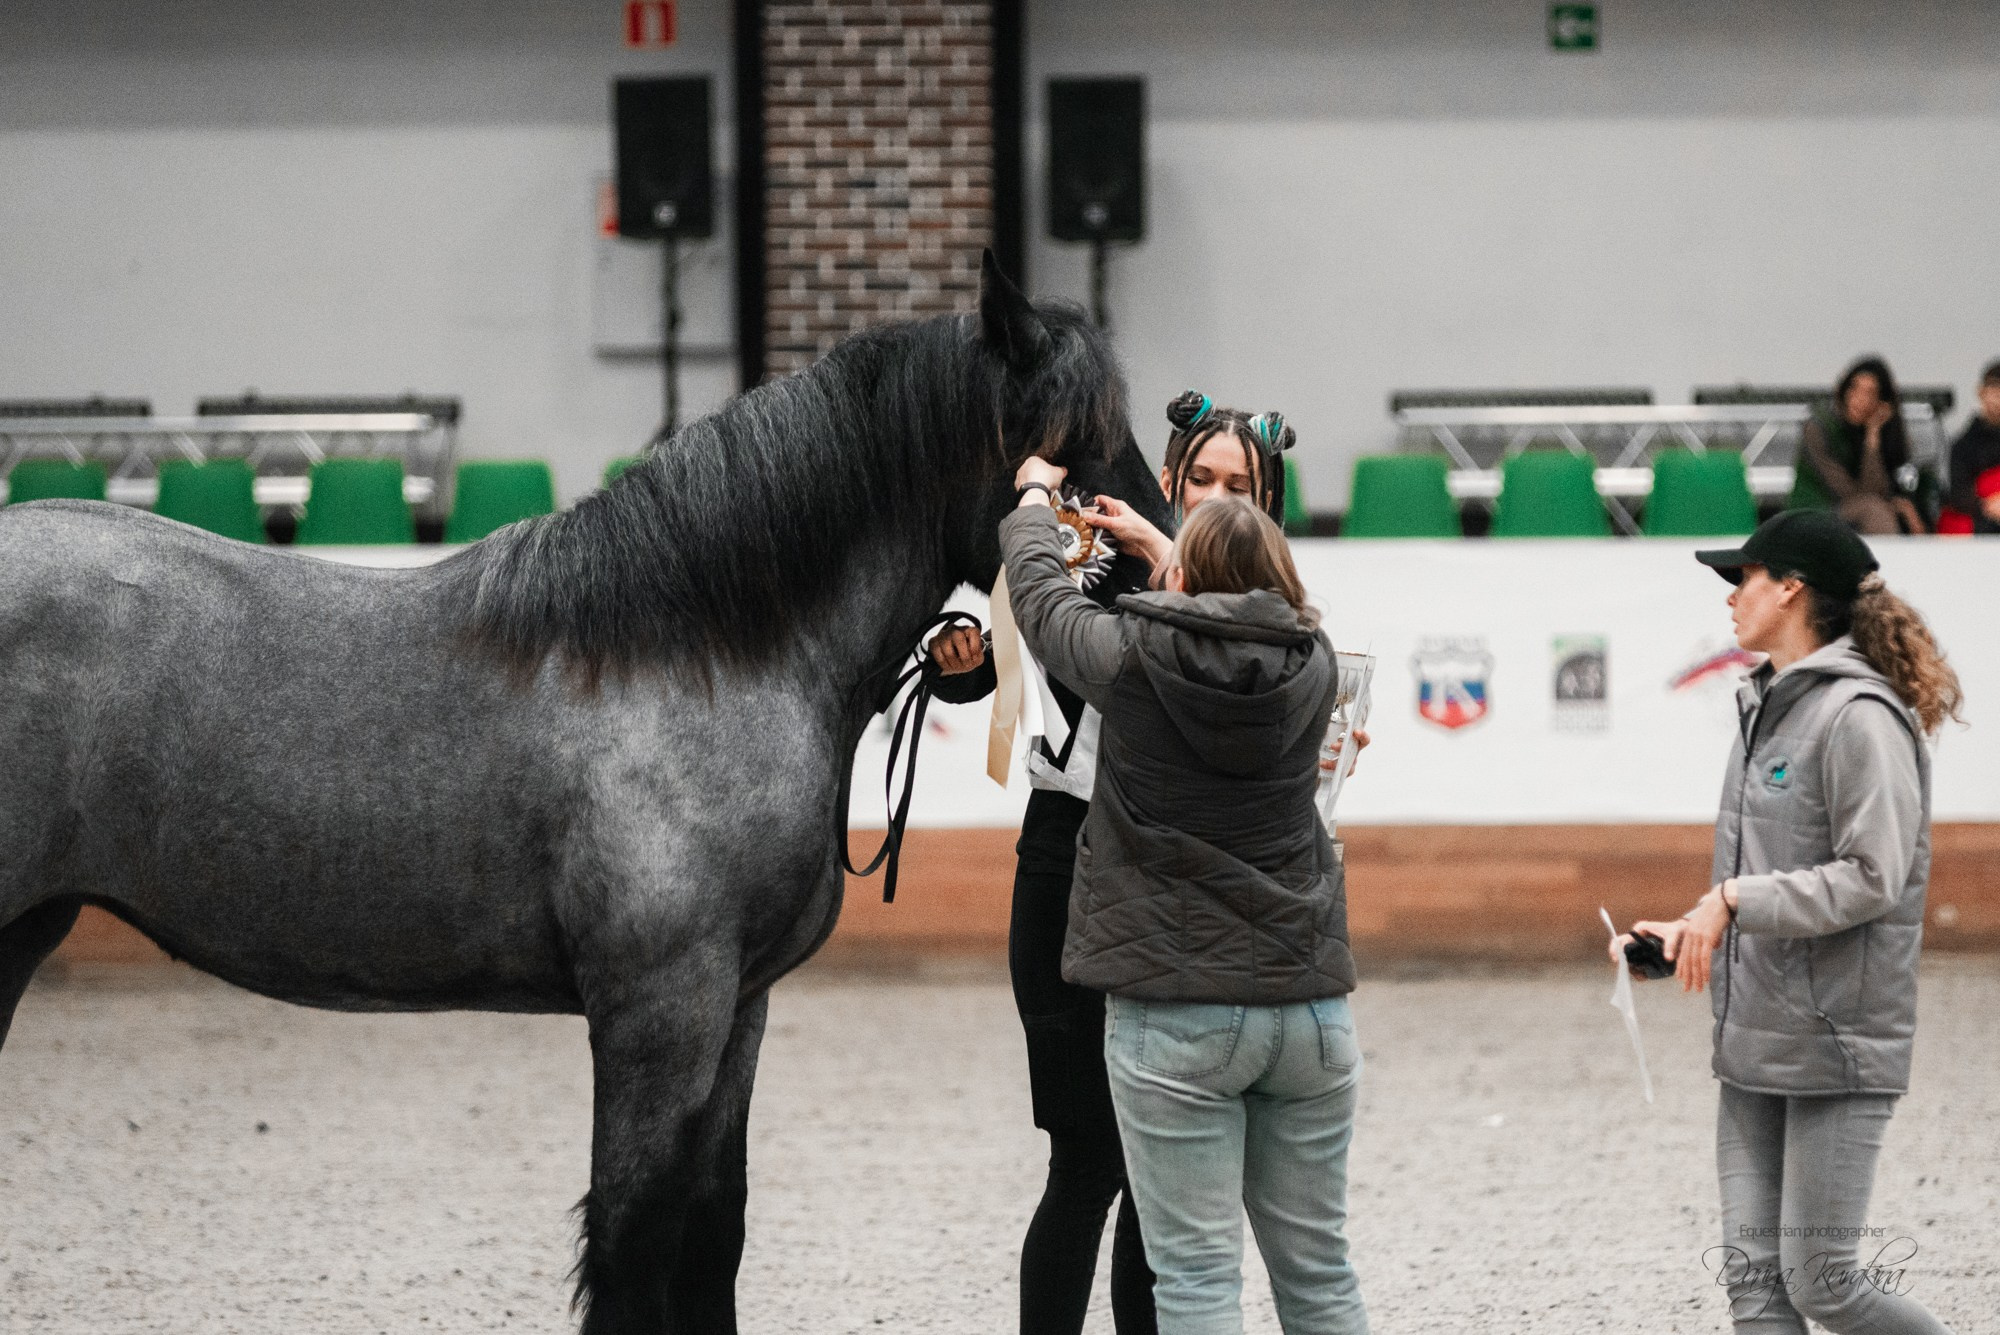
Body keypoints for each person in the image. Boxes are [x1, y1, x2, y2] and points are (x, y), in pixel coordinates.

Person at [926, 391, 1348, 1335]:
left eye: (1236, 485)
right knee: (1087, 1164)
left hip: (1190, 901)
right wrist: (960, 657)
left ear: (1268, 502)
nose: (1212, 498)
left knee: (1165, 1190)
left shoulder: (1284, 616)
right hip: (1071, 868)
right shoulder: (1107, 553)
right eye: (1199, 479)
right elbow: (1010, 638)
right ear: (1167, 481)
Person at [1613, 509, 1963, 1335]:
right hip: (1753, 1041)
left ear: (1792, 588)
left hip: (1836, 1042)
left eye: (1745, 577)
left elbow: (1873, 875)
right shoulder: (1765, 703)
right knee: (1755, 1290)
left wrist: (1733, 900)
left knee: (1825, 1286)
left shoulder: (1860, 717)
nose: (1732, 596)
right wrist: (1687, 929)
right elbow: (1767, 873)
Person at [1792, 356, 1928, 535]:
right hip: (1814, 511)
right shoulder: (1819, 428)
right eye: (1854, 388)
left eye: (1870, 393)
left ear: (1882, 402)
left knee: (1906, 515)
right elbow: (1849, 494)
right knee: (1875, 512)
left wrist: (1873, 437)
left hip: (1854, 512)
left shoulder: (1879, 432)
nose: (1858, 399)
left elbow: (1879, 489)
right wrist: (1890, 505)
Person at [1939, 359, 2000, 535]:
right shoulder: (1964, 445)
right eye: (1994, 391)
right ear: (1981, 392)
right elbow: (1959, 494)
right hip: (1982, 523)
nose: (1998, 399)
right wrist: (1989, 507)